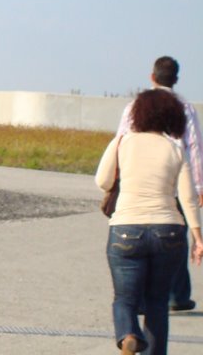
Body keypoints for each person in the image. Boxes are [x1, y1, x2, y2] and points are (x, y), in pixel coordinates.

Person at [97, 88, 203, 354]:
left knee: (124, 299)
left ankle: (128, 334)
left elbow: (103, 181)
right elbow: (188, 198)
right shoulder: (175, 148)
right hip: (168, 231)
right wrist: (198, 238)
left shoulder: (122, 142)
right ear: (171, 117)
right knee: (157, 303)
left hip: (126, 229)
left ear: (138, 114)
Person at [116, 56, 203, 311]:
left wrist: (119, 180)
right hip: (176, 180)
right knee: (173, 239)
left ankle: (145, 298)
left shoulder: (135, 105)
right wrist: (198, 186)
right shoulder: (185, 107)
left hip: (139, 182)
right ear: (175, 80)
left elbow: (122, 140)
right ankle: (177, 295)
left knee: (138, 239)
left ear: (152, 77)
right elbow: (194, 148)